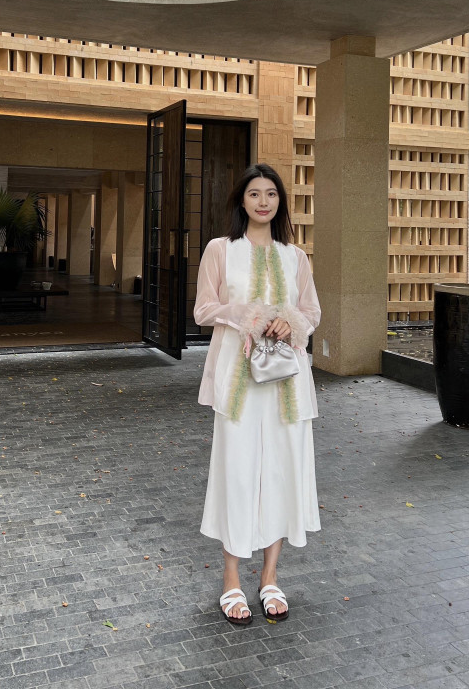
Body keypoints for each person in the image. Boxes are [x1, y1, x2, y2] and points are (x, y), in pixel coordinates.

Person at [193, 163, 321, 625]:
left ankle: (269, 578)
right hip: (238, 384)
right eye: (254, 194)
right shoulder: (221, 250)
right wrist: (247, 314)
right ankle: (231, 580)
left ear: (280, 201)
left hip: (287, 384)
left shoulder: (296, 257)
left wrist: (291, 321)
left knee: (281, 473)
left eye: (271, 194)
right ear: (241, 201)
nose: (263, 201)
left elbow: (312, 312)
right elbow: (203, 309)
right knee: (238, 473)